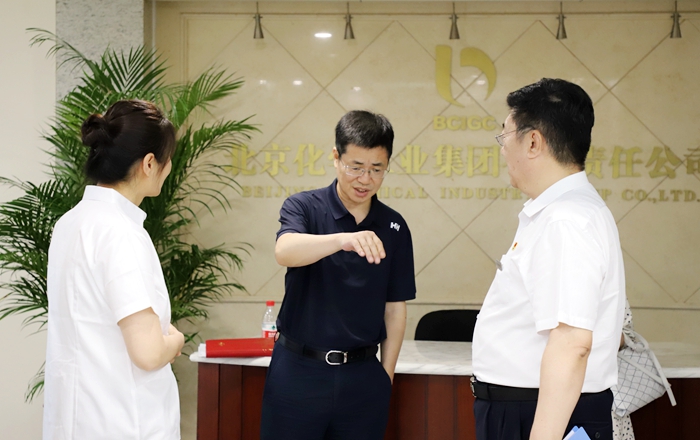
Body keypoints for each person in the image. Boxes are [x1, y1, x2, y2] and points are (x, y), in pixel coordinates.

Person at [471, 78, 625, 440]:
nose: (503, 149)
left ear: (533, 141)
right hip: (530, 408)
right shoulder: (561, 212)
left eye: (505, 136)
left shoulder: (565, 221)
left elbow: (572, 343)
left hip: (542, 415)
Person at [260, 110, 416, 440]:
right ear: (336, 157)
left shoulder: (394, 226)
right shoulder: (304, 207)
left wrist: (385, 376)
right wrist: (343, 240)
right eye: (355, 167)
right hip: (298, 371)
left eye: (377, 169)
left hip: (362, 376)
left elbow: (394, 308)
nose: (365, 179)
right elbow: (284, 251)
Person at [43, 100, 185, 440]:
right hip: (125, 422)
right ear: (149, 164)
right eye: (167, 160)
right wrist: (176, 340)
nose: (168, 168)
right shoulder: (120, 232)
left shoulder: (70, 223)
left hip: (77, 420)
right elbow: (149, 353)